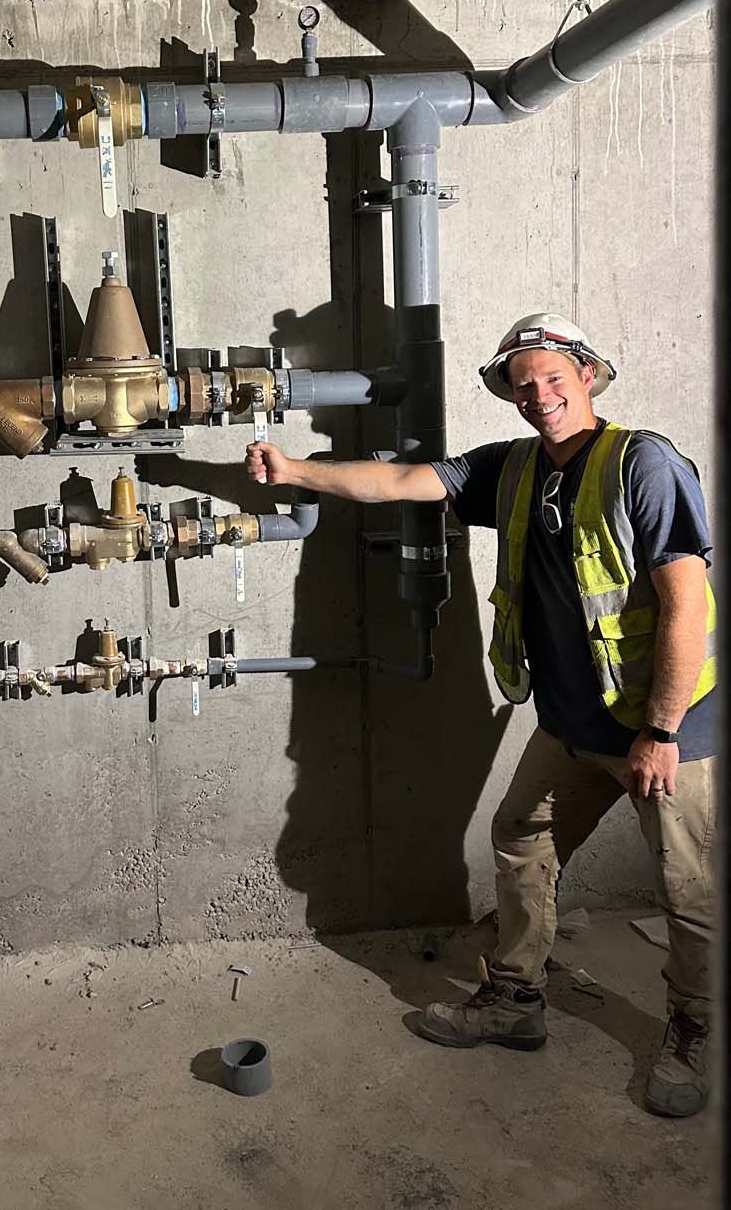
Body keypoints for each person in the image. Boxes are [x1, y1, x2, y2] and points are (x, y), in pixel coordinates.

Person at [245, 314, 717, 1118]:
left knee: (688, 889)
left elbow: (685, 605)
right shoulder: (513, 469)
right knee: (519, 835)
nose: (539, 396)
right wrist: (295, 469)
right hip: (571, 724)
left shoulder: (644, 462)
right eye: (522, 384)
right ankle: (514, 1001)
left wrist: (661, 730)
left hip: (660, 729)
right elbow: (400, 483)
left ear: (587, 376)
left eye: (552, 378)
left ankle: (691, 1031)